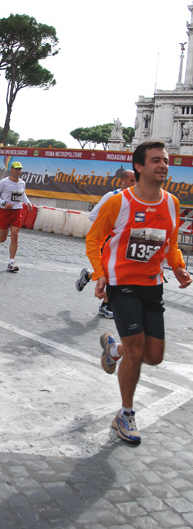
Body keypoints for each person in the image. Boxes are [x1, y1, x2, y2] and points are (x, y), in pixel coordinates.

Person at [86, 141, 192, 444]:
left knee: (154, 356)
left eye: (166, 160)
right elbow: (93, 239)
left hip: (153, 285)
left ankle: (112, 349)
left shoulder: (172, 202)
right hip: (123, 285)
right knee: (136, 348)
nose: (163, 165)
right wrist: (101, 273)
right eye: (156, 160)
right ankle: (126, 414)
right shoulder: (118, 202)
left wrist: (179, 266)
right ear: (139, 167)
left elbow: (170, 243)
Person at [75, 169, 136, 318]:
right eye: (132, 181)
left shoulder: (137, 199)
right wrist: (109, 227)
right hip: (108, 240)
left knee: (117, 273)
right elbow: (93, 216)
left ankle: (88, 277)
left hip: (125, 242)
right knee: (111, 273)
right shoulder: (112, 196)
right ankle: (106, 305)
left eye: (137, 181)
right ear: (123, 181)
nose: (135, 184)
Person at [0, 162, 32, 272]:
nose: (19, 171)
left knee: (15, 235)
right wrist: (4, 203)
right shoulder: (4, 182)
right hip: (4, 211)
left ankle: (11, 262)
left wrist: (27, 202)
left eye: (20, 169)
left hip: (17, 210)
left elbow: (22, 194)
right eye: (17, 169)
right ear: (11, 170)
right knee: (3, 238)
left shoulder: (22, 183)